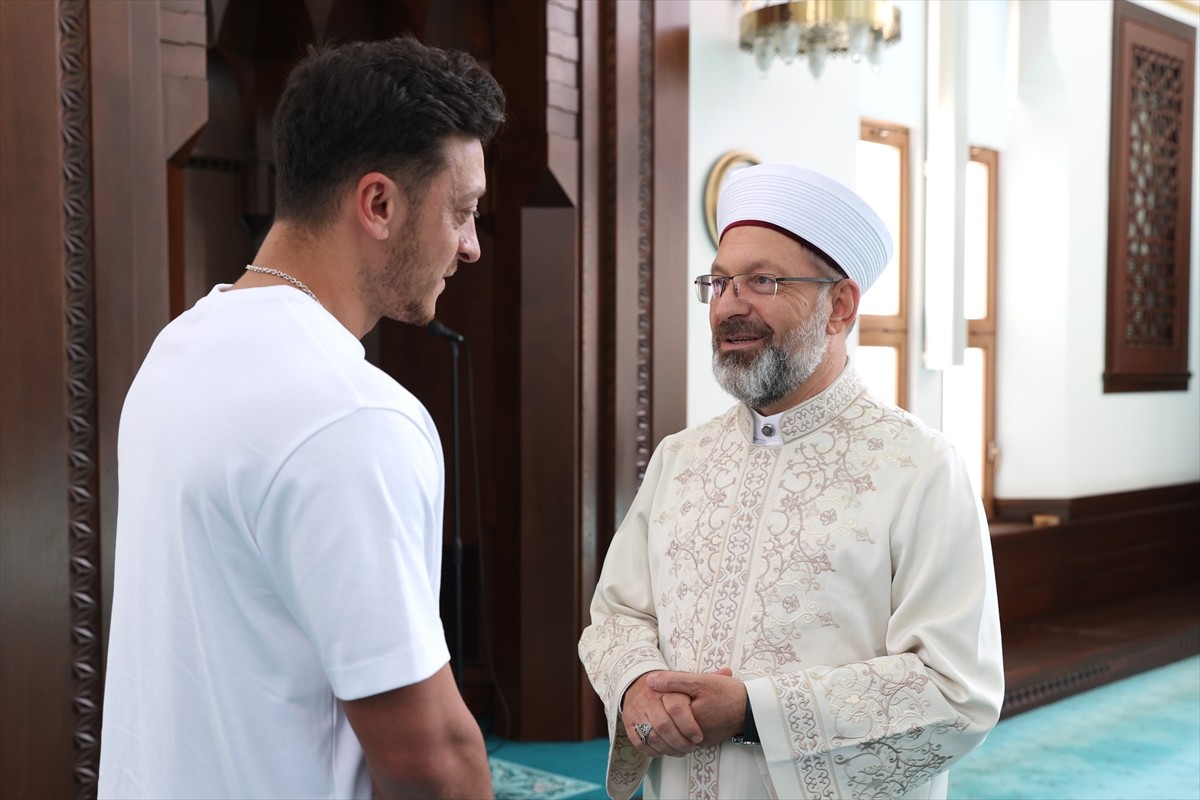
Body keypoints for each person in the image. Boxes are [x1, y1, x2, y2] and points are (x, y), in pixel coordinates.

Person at [98, 37, 504, 800]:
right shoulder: (353, 417)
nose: (471, 246)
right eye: (462, 211)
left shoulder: (178, 349)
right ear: (378, 203)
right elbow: (430, 759)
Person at [578, 163, 1004, 800]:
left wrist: (753, 713)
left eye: (763, 281)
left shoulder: (920, 468)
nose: (730, 305)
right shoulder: (680, 458)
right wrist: (637, 682)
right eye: (720, 282)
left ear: (840, 306)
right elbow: (618, 614)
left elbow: (956, 691)